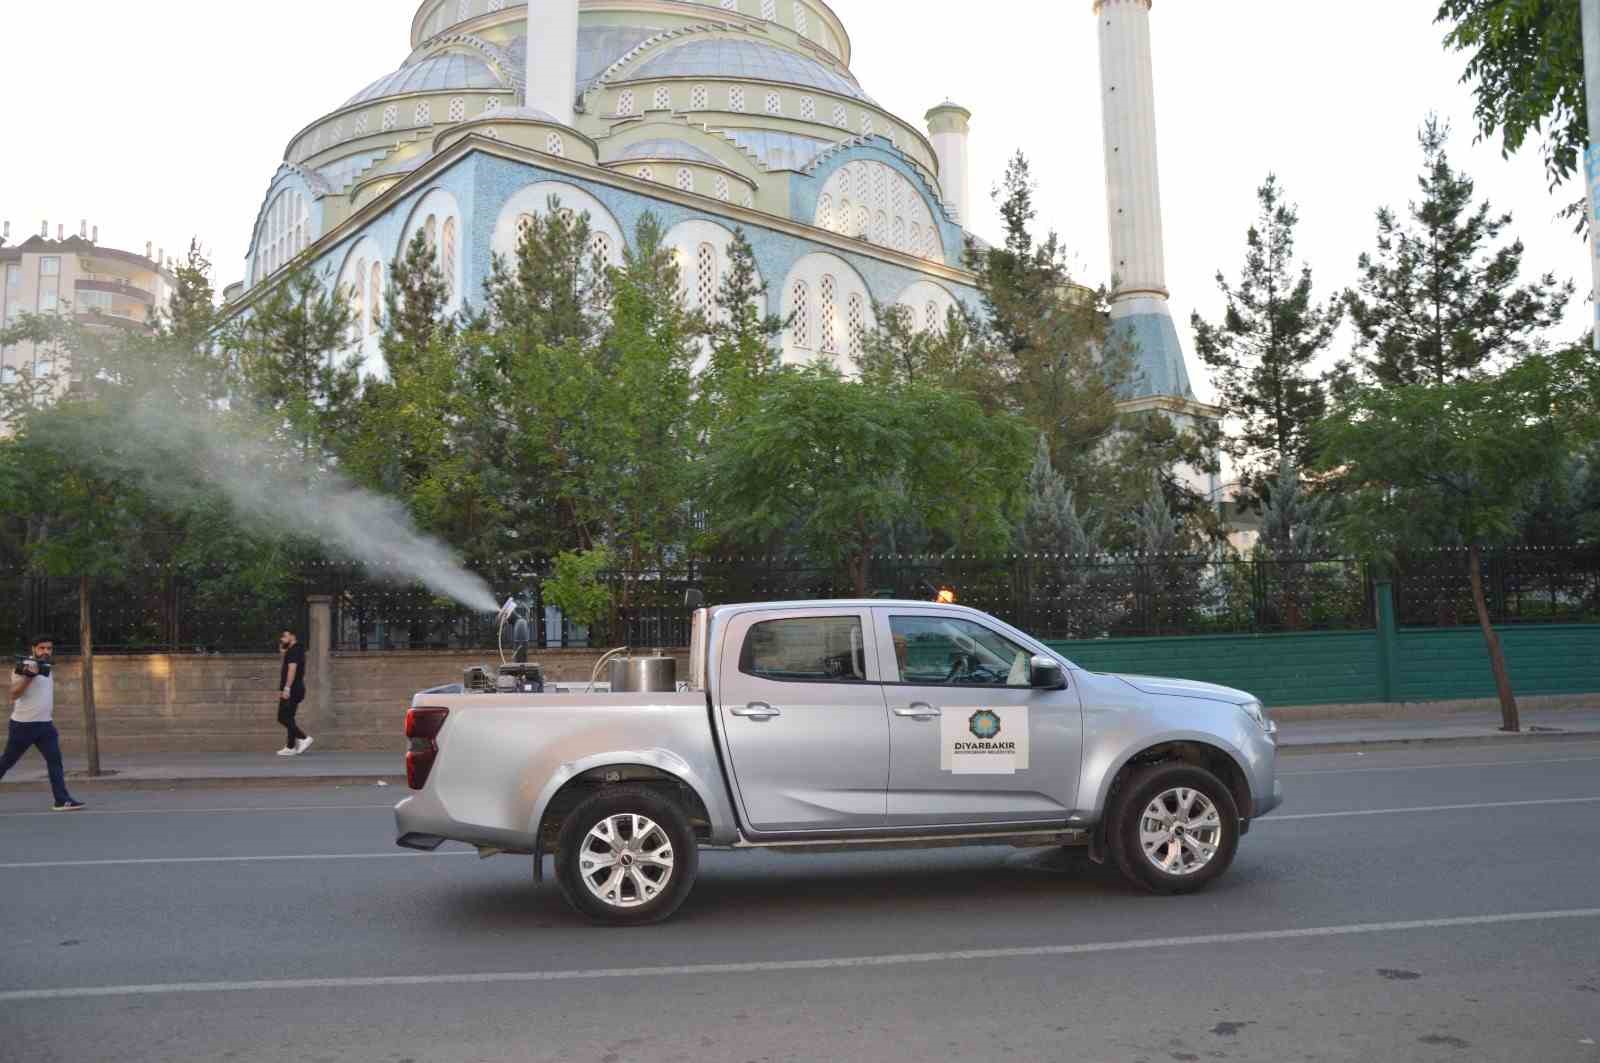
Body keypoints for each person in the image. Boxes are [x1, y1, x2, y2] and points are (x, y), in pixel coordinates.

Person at [0, 635, 85, 810]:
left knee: (55, 760)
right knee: (7, 762)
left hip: (45, 725)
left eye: (49, 648)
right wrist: (30, 677)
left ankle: (61, 800)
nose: (46, 651)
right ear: (33, 649)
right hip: (23, 725)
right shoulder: (23, 668)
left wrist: (38, 670)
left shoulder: (47, 667)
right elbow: (14, 694)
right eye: (42, 648)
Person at [276, 628, 312, 756]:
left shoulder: (294, 650)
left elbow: (292, 669)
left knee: (282, 717)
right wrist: (284, 652)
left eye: (284, 636)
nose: (282, 639)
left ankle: (303, 738)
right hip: (297, 688)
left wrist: (287, 688)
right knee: (289, 717)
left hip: (292, 689)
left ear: (293, 636)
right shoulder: (297, 650)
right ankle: (290, 747)